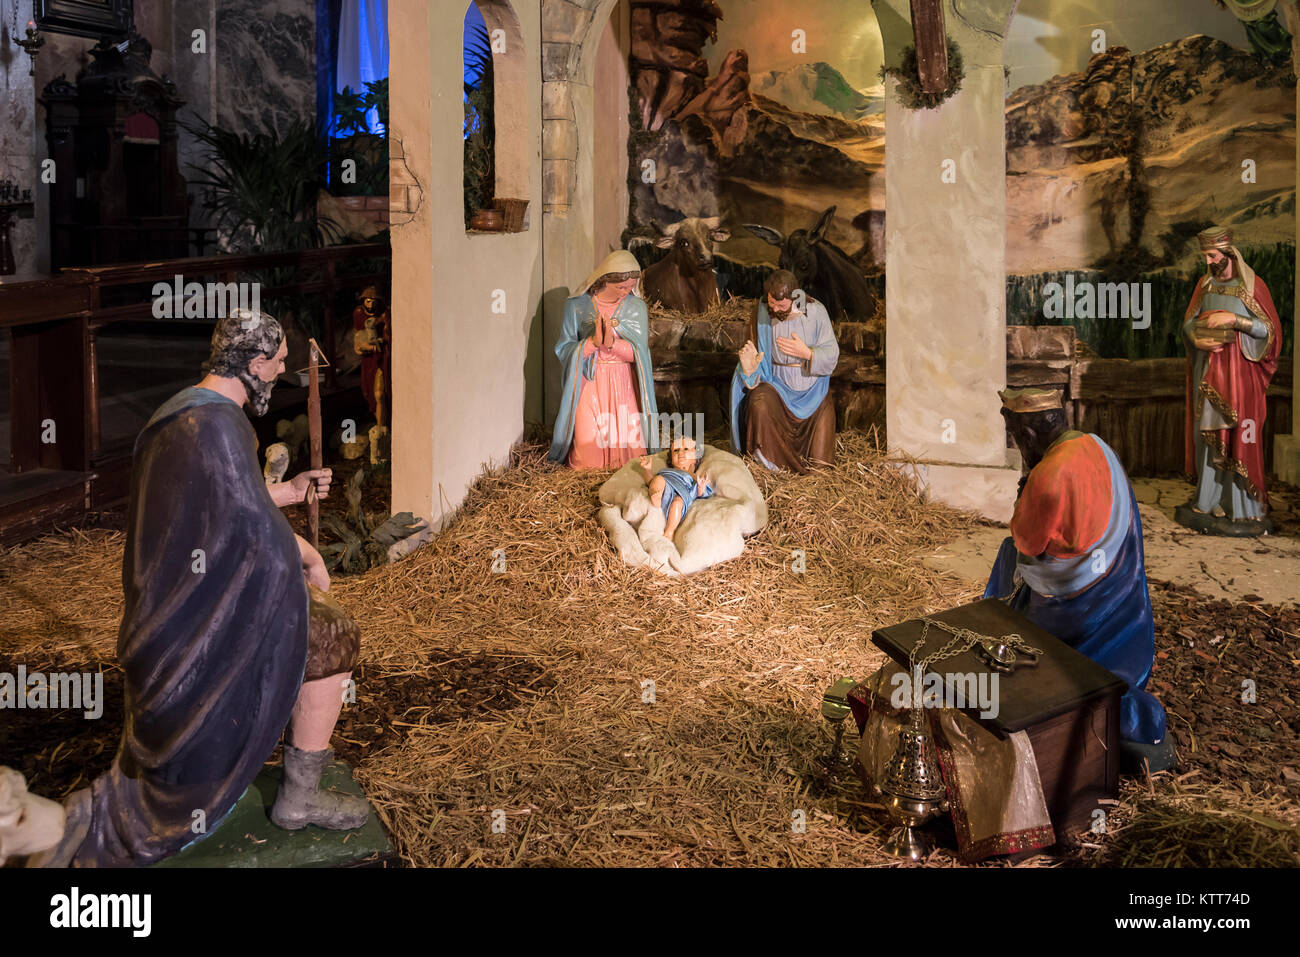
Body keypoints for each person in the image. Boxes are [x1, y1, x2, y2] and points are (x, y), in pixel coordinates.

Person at [43, 309, 368, 868]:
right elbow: (247, 528)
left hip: (178, 608)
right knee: (334, 634)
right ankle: (300, 796)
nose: (282, 374)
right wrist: (308, 556)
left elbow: (222, 504)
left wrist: (287, 493)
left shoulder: (182, 412)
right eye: (280, 365)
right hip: (197, 628)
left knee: (318, 625)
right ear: (256, 364)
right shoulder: (219, 425)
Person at [984, 388, 1172, 772]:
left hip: (1073, 607)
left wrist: (1024, 496)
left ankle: (1017, 661)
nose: (1021, 450)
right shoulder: (1097, 445)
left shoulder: (1048, 475)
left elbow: (1028, 542)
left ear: (1030, 435)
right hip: (1121, 586)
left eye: (1018, 440)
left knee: (1009, 563)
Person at [1178, 225, 1282, 534]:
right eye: (1205, 256)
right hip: (1209, 376)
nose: (1208, 262)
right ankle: (1208, 500)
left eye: (1212, 255)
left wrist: (1235, 320)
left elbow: (1270, 333)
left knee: (1241, 436)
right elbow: (1188, 325)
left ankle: (1243, 506)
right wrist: (1196, 338)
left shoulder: (1252, 287)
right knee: (1209, 439)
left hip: (1240, 379)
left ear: (1229, 254)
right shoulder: (1206, 285)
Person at [549, 250, 660, 468]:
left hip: (623, 383)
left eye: (630, 287)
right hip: (588, 382)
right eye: (621, 287)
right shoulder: (576, 306)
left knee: (628, 454)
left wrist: (612, 344)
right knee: (587, 454)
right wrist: (591, 343)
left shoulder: (636, 308)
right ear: (606, 279)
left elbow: (641, 354)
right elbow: (564, 348)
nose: (626, 292)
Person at [729, 269, 839, 473]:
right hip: (776, 384)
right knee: (759, 403)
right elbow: (754, 355)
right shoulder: (762, 311)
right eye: (771, 303)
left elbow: (832, 353)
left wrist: (808, 353)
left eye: (781, 306)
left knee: (821, 467)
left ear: (795, 297)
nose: (775, 309)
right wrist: (749, 369)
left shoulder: (816, 311)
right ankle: (767, 468)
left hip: (813, 391)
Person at [637, 436, 714, 542]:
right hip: (665, 488)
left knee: (677, 503)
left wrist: (701, 487)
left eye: (686, 449)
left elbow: (699, 493)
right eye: (676, 450)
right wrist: (647, 470)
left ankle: (669, 532)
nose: (680, 453)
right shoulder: (667, 472)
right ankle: (656, 499)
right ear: (671, 459)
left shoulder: (694, 476)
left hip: (682, 493)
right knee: (657, 480)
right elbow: (649, 482)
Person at [352, 286, 390, 427]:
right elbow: (357, 335)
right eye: (368, 301)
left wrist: (379, 343)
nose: (371, 304)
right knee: (369, 393)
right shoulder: (358, 314)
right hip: (368, 359)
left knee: (379, 394)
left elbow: (387, 335)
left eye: (374, 301)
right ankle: (380, 425)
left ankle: (382, 429)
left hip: (381, 357)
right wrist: (361, 347)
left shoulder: (384, 314)